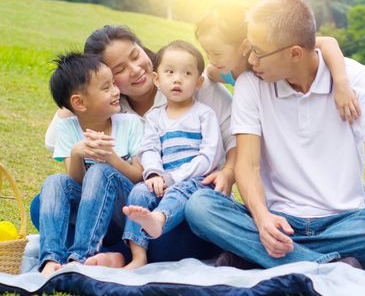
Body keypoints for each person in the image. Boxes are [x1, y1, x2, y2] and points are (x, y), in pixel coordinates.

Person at [185, 0, 365, 269]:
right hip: (279, 219)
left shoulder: (356, 79)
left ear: (294, 53)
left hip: (342, 221)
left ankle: (255, 254)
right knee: (200, 207)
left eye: (257, 51)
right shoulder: (250, 83)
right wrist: (262, 218)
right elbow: (248, 164)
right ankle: (328, 264)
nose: (251, 59)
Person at [35, 25, 234, 266]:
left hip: (183, 200)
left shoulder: (186, 79)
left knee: (168, 235)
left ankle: (121, 253)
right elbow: (52, 140)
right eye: (119, 70)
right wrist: (76, 95)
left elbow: (235, 139)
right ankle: (115, 251)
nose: (136, 69)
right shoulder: (114, 106)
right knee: (42, 207)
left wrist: (228, 171)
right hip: (134, 203)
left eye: (135, 55)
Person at [122, 41, 225, 269]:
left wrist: (173, 178)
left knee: (182, 190)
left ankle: (159, 219)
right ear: (157, 79)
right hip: (164, 180)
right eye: (170, 72)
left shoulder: (203, 115)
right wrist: (155, 175)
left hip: (195, 181)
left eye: (187, 73)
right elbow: (148, 149)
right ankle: (138, 256)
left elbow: (209, 157)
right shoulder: (154, 117)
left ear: (199, 82)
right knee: (139, 191)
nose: (177, 79)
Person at [39, 52, 144, 277]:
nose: (116, 91)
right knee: (55, 181)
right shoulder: (68, 129)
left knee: (99, 171)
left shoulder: (131, 125)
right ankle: (51, 259)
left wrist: (112, 159)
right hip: (89, 213)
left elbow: (140, 177)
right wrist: (77, 153)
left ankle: (81, 256)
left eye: (113, 84)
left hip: (124, 212)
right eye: (106, 88)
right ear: (79, 102)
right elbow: (74, 182)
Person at [195, 3, 361, 123]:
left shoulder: (268, 54)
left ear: (244, 46)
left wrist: (342, 84)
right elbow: (209, 73)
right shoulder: (219, 71)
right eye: (206, 52)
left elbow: (328, 42)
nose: (211, 59)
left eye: (216, 53)